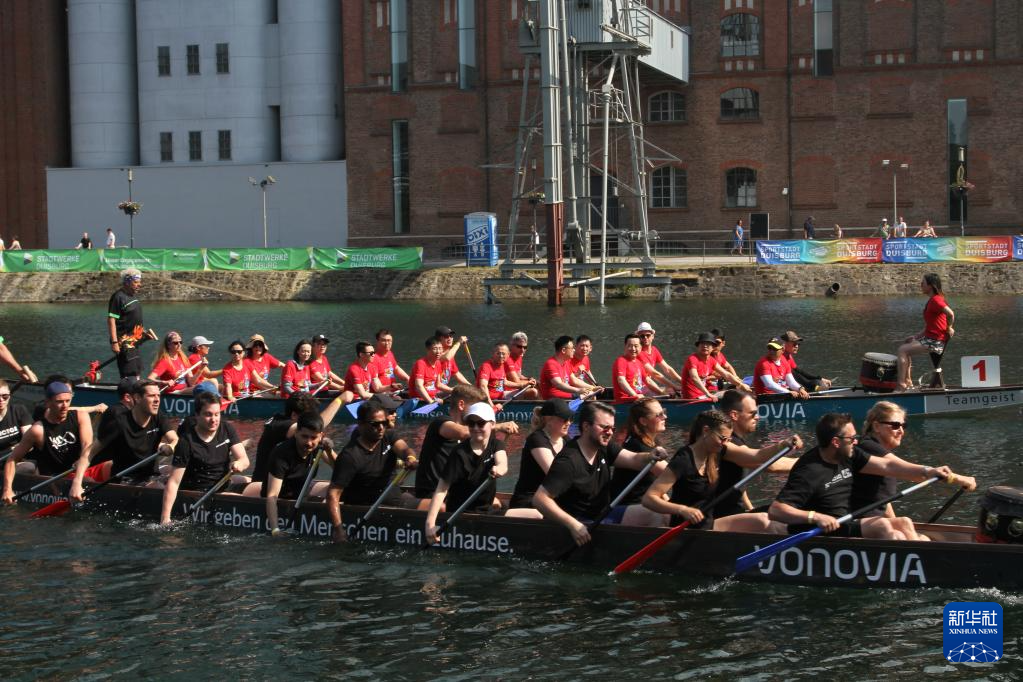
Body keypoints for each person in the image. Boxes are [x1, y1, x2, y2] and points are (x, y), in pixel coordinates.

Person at [768, 413, 975, 540]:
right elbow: (776, 510)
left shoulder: (850, 454)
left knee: (904, 522)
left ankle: (921, 564)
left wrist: (927, 471)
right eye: (852, 438)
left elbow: (888, 465)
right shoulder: (809, 471)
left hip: (845, 522)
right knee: (882, 524)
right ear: (836, 442)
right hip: (819, 529)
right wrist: (816, 517)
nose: (856, 442)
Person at [532, 402, 669, 545]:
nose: (610, 432)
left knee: (660, 514)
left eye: (612, 428)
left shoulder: (604, 447)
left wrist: (650, 456)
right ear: (586, 426)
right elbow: (540, 499)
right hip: (581, 524)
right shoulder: (569, 460)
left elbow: (633, 459)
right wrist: (573, 525)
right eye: (604, 427)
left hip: (603, 516)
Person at [327, 401, 418, 542]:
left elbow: (405, 449)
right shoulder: (350, 456)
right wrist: (338, 528)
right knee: (439, 508)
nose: (381, 428)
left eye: (384, 423)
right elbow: (333, 494)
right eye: (374, 424)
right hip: (370, 508)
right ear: (360, 424)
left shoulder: (389, 436)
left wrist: (410, 458)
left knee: (441, 507)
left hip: (395, 500)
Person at [414, 385, 517, 508]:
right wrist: (497, 426)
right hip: (433, 492)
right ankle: (407, 500)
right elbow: (463, 432)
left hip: (457, 493)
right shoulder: (440, 423)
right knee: (443, 508)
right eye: (476, 407)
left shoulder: (473, 438)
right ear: (461, 405)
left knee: (497, 504)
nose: (479, 412)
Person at [424, 403, 509, 544]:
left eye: (480, 423)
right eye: (471, 423)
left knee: (535, 515)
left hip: (486, 511)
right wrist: (430, 525)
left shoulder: (497, 445)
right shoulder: (459, 452)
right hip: (460, 514)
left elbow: (503, 463)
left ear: (492, 424)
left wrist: (499, 468)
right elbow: (441, 489)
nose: (475, 428)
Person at [160, 391, 249, 524]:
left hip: (223, 484)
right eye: (208, 414)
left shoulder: (227, 428)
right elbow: (174, 482)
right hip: (200, 492)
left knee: (258, 488)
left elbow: (244, 460)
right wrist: (165, 518)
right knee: (247, 500)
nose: (214, 419)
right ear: (197, 415)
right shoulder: (186, 441)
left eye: (217, 414)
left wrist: (239, 464)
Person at [2, 381, 94, 504]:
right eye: (59, 402)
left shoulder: (81, 416)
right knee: (89, 482)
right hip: (56, 477)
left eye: (68, 401)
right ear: (48, 403)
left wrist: (77, 481)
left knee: (109, 465)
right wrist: (7, 489)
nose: (65, 406)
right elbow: (12, 459)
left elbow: (87, 447)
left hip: (80, 470)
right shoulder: (37, 430)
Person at [76, 380, 177, 488]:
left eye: (158, 395)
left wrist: (171, 446)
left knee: (174, 475)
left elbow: (174, 439)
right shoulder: (119, 422)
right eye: (151, 396)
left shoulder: (158, 417)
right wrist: (76, 484)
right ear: (137, 398)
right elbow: (89, 453)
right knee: (160, 488)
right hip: (125, 479)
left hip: (149, 476)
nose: (157, 400)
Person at [263, 412, 335, 535]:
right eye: (304, 436)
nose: (309, 443)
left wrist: (329, 451)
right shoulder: (281, 454)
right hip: (281, 500)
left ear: (321, 436)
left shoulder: (319, 447)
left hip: (301, 497)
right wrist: (275, 529)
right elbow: (272, 496)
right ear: (296, 433)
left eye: (313, 438)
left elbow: (340, 469)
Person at [850, 401, 916, 524]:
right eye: (895, 425)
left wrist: (896, 523)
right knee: (906, 523)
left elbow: (883, 499)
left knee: (907, 525)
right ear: (876, 426)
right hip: (856, 524)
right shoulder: (867, 446)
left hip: (876, 522)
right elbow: (907, 470)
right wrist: (934, 472)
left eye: (903, 425)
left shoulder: (879, 449)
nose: (901, 431)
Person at [506, 398, 573, 517]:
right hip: (529, 501)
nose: (568, 423)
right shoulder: (536, 439)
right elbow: (554, 473)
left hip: (552, 499)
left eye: (570, 418)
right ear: (548, 419)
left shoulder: (566, 440)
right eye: (564, 419)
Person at [896, 273, 954, 391]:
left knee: (902, 350)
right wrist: (916, 336)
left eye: (923, 283)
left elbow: (951, 314)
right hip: (930, 338)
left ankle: (901, 384)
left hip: (935, 341)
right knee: (907, 344)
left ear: (931, 286)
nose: (921, 285)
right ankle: (908, 381)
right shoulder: (933, 300)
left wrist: (949, 327)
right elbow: (930, 325)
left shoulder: (936, 300)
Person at [681, 332, 750, 401]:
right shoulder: (692, 359)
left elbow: (726, 374)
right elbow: (694, 378)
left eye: (708, 344)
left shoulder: (711, 360)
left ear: (713, 348)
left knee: (738, 391)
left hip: (703, 395)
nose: (705, 346)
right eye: (702, 343)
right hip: (693, 398)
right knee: (733, 394)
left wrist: (741, 385)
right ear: (698, 346)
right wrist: (708, 394)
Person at [107, 268, 147, 379]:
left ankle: (136, 389)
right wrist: (114, 342)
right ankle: (128, 389)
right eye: (136, 282)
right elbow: (111, 319)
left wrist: (142, 332)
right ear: (127, 282)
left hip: (134, 341)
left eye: (139, 282)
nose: (139, 285)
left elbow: (133, 317)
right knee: (129, 375)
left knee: (137, 372)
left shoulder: (132, 296)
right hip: (124, 343)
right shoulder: (118, 297)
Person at [612, 333, 665, 404]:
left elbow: (648, 381)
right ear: (625, 347)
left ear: (640, 347)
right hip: (626, 402)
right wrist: (635, 396)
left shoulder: (638, 362)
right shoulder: (621, 361)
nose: (633, 349)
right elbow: (621, 380)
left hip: (638, 400)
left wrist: (662, 393)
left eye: (636, 346)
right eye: (630, 346)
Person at [539, 336, 594, 400]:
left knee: (593, 393)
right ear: (563, 350)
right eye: (572, 348)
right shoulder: (551, 364)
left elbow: (574, 380)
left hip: (567, 395)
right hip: (554, 399)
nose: (574, 350)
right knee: (589, 395)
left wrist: (592, 388)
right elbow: (558, 384)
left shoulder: (566, 363)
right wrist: (578, 390)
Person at [635, 322, 683, 394]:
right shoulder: (638, 353)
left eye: (648, 335)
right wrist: (675, 387)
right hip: (639, 388)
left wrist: (684, 382)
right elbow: (655, 374)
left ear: (652, 336)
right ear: (638, 338)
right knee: (672, 391)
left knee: (672, 390)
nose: (645, 338)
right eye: (642, 336)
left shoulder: (654, 350)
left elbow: (668, 369)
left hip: (648, 385)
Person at [411, 336, 453, 404]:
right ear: (428, 350)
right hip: (421, 399)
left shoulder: (438, 363)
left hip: (434, 396)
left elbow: (438, 385)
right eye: (435, 349)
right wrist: (431, 402)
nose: (438, 352)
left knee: (459, 392)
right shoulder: (421, 363)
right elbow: (419, 386)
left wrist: (453, 390)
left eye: (440, 348)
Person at [477, 342, 517, 406]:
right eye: (498, 353)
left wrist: (522, 385)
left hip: (501, 396)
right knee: (531, 392)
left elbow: (504, 382)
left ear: (508, 355)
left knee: (530, 391)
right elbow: (483, 386)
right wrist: (492, 406)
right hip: (491, 400)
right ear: (493, 354)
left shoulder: (501, 365)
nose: (501, 356)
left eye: (503, 354)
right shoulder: (486, 366)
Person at [0, 379, 33, 454]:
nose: (1, 399)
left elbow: (29, 442)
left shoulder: (18, 410)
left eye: (5, 396)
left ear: (9, 396)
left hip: (20, 456)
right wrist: (12, 449)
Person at [504, 331, 539, 398]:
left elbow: (518, 375)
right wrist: (529, 382)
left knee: (539, 384)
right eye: (519, 346)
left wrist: (528, 379)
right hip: (507, 391)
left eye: (525, 347)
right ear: (511, 346)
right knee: (533, 391)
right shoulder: (507, 359)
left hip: (517, 388)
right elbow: (516, 381)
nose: (522, 350)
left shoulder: (519, 356)